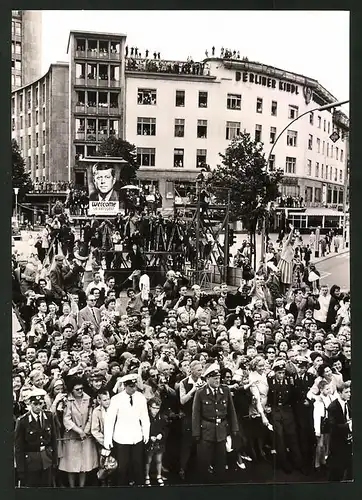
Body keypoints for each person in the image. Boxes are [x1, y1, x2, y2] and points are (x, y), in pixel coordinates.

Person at [192, 363, 239, 483]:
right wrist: (196, 433)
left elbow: (231, 411)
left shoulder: (225, 390)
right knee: (204, 460)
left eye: (218, 378)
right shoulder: (201, 392)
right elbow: (196, 414)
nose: (217, 380)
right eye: (215, 378)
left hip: (221, 430)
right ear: (208, 378)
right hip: (206, 431)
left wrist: (234, 428)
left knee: (221, 460)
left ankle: (219, 484)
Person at [103, 373, 150, 486]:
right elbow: (110, 420)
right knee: (122, 467)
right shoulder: (116, 399)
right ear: (125, 386)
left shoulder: (140, 397)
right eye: (131, 386)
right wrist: (107, 439)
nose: (133, 388)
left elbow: (144, 417)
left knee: (138, 465)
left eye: (134, 386)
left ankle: (139, 489)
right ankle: (121, 490)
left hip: (137, 437)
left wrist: (146, 433)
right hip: (121, 438)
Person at [58, 378, 98, 487]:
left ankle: (82, 487)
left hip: (86, 436)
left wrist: (85, 431)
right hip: (72, 436)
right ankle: (72, 488)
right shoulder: (68, 401)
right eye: (77, 389)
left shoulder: (88, 399)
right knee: (71, 465)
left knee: (84, 465)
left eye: (81, 389)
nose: (80, 391)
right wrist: (78, 431)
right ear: (72, 390)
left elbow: (91, 416)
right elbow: (66, 419)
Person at [14, 388, 58, 487]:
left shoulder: (49, 416)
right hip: (30, 462)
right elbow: (19, 447)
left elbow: (53, 440)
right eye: (35, 404)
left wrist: (55, 461)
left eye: (41, 403)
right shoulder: (22, 421)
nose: (38, 407)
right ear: (30, 403)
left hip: (47, 459)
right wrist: (20, 469)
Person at [267, 359, 303, 474]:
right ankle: (284, 463)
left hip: (287, 411)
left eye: (283, 372)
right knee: (280, 437)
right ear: (275, 372)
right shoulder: (270, 382)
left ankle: (298, 462)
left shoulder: (289, 382)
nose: (281, 375)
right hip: (276, 411)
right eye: (279, 373)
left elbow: (295, 396)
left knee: (292, 436)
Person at [327, 381, 352, 481]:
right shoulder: (332, 407)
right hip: (337, 444)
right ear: (339, 393)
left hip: (347, 441)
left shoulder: (348, 403)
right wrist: (349, 426)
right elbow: (333, 427)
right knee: (337, 470)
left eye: (349, 392)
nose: (349, 394)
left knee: (348, 466)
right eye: (346, 392)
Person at [144, 397, 168, 486]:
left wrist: (161, 434)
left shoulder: (161, 417)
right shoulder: (146, 417)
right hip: (149, 443)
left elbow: (165, 429)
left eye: (157, 408)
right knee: (148, 461)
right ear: (150, 407)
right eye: (154, 408)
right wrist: (149, 436)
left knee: (159, 460)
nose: (156, 410)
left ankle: (159, 475)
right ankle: (146, 476)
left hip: (159, 443)